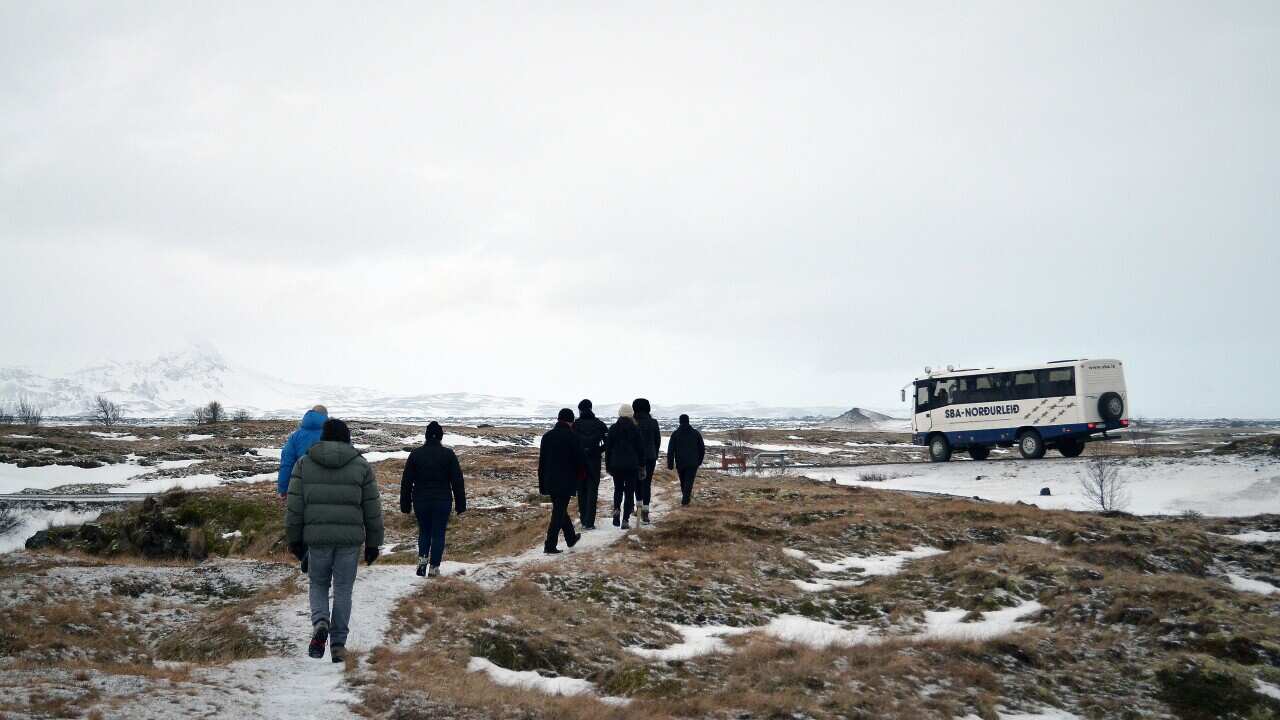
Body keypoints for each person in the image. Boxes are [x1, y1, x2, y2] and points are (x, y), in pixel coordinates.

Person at [285, 418, 384, 664]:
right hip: (349, 541)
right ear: (347, 438)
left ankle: (320, 623)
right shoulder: (360, 465)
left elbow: (294, 507)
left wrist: (294, 540)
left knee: (318, 584)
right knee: (343, 590)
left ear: (323, 437)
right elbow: (372, 509)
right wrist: (373, 543)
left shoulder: (304, 464)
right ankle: (338, 645)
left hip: (316, 538)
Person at [400, 421, 466, 577]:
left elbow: (406, 481)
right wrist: (460, 505)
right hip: (442, 500)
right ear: (441, 436)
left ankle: (422, 563)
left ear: (426, 436)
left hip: (421, 501)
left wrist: (405, 504)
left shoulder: (416, 454)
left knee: (424, 532)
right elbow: (457, 481)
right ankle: (434, 567)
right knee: (438, 534)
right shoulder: (448, 454)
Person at [539, 408, 586, 554]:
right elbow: (580, 461)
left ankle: (570, 538)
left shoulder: (546, 437)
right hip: (566, 481)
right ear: (570, 421)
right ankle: (550, 545)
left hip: (550, 481)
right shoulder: (573, 437)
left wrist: (542, 483)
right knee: (558, 512)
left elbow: (542, 463)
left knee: (560, 510)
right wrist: (582, 476)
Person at [605, 403, 646, 528]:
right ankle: (625, 520)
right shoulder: (635, 429)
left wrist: (608, 465)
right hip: (631, 466)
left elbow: (608, 449)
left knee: (618, 489)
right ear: (631, 414)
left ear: (619, 413)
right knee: (629, 492)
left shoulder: (613, 428)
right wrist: (642, 465)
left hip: (616, 465)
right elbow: (640, 450)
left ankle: (617, 509)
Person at [277, 405, 328, 498]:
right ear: (325, 416)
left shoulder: (295, 436)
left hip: (301, 485)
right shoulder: (334, 433)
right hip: (330, 485)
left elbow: (287, 463)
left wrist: (283, 489)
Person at [573, 399, 608, 530]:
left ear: (580, 410)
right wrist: (598, 450)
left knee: (581, 490)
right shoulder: (599, 424)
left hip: (579, 461)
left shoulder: (576, 425)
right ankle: (589, 522)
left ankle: (583, 520)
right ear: (591, 408)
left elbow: (571, 442)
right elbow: (608, 441)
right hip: (594, 460)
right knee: (593, 490)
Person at [632, 398, 662, 524]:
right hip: (650, 457)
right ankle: (645, 512)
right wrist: (654, 452)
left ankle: (638, 509)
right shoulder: (653, 422)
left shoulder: (632, 422)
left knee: (636, 483)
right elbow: (657, 440)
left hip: (634, 458)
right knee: (646, 483)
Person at [667, 414, 706, 506]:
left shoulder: (675, 434)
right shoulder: (696, 433)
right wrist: (699, 461)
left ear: (680, 421)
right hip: (693, 462)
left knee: (683, 481)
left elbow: (670, 450)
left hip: (680, 462)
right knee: (689, 481)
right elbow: (702, 449)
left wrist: (670, 464)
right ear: (688, 421)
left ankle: (685, 500)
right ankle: (686, 499)